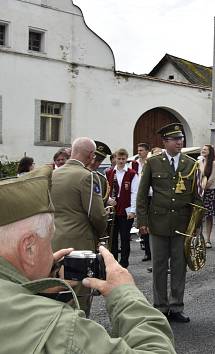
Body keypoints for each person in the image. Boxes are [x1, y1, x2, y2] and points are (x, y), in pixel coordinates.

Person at [0, 167, 176, 353]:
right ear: (29, 247)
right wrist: (126, 296)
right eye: (50, 240)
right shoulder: (61, 330)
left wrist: (34, 288)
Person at [137, 123, 202, 323]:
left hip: (181, 224)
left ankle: (176, 306)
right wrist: (142, 221)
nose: (179, 142)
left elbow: (196, 197)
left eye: (181, 139)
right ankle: (160, 306)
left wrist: (195, 225)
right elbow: (141, 195)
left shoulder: (191, 164)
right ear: (165, 142)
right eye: (175, 139)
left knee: (179, 266)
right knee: (158, 266)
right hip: (158, 222)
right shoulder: (153, 163)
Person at [51, 137, 107, 316]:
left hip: (53, 241)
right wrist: (100, 233)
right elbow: (97, 215)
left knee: (56, 291)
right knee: (80, 295)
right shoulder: (87, 176)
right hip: (79, 243)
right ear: (91, 155)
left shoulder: (53, 174)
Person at [106, 148, 139, 268]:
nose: (120, 161)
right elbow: (107, 190)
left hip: (126, 209)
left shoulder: (131, 174)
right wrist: (109, 200)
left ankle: (124, 262)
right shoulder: (109, 173)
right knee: (113, 238)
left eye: (123, 159)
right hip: (114, 209)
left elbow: (135, 192)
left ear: (126, 159)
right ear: (115, 159)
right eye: (118, 159)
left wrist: (132, 210)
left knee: (125, 238)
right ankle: (114, 262)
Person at [134, 143, 152, 261]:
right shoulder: (134, 164)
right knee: (142, 223)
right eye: (138, 150)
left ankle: (153, 250)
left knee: (151, 224)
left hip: (151, 195)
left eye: (141, 150)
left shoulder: (151, 162)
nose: (139, 152)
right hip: (140, 195)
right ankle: (147, 251)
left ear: (147, 151)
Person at [200, 144, 215, 249]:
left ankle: (208, 239)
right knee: (200, 214)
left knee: (209, 215)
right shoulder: (200, 161)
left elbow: (212, 178)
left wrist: (204, 188)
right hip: (201, 191)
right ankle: (200, 237)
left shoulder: (214, 163)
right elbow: (199, 175)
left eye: (205, 149)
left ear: (210, 151)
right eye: (202, 149)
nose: (203, 150)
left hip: (210, 190)